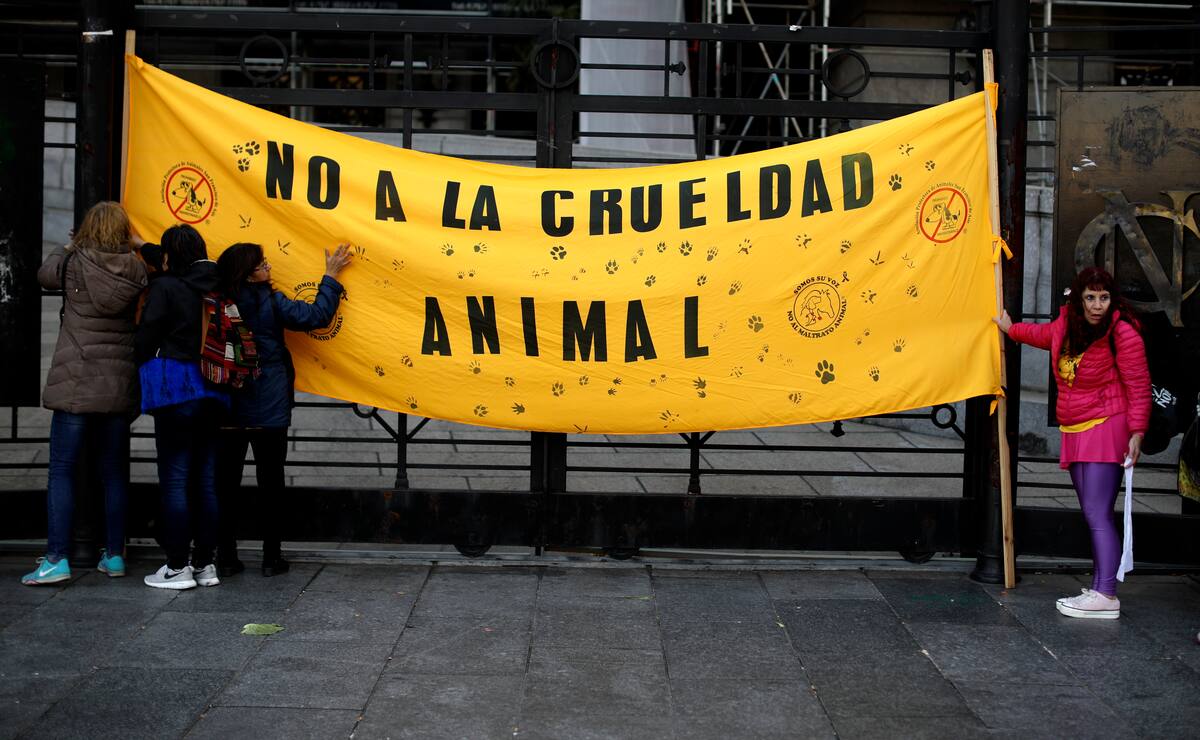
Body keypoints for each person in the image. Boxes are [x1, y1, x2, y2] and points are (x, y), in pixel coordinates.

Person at [995, 266, 1150, 619]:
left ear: (1114, 300)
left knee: (1097, 514)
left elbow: (1139, 386)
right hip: (1077, 428)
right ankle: (1101, 584)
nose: (1098, 305)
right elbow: (1041, 334)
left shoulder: (1122, 333)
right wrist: (1009, 328)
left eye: (1104, 298)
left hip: (1107, 426)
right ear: (1079, 300)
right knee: (1093, 513)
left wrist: (1137, 433)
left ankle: (1106, 594)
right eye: (1091, 298)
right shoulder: (1068, 325)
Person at [22, 202, 149, 585]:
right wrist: (140, 245)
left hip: (75, 380)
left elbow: (44, 275)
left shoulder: (74, 262)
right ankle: (113, 556)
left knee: (62, 469)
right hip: (116, 382)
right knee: (113, 473)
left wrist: (67, 246)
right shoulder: (138, 268)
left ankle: (57, 558)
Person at [214, 242, 352, 577]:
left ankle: (226, 557)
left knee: (225, 484)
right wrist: (331, 276)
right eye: (262, 264)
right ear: (249, 274)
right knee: (271, 482)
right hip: (269, 403)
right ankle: (271, 558)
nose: (269, 267)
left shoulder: (216, 302)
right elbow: (316, 317)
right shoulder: (271, 302)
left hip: (227, 403)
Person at [135, 224, 228, 590]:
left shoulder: (166, 286)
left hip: (176, 390)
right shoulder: (217, 284)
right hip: (214, 392)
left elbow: (147, 336)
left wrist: (144, 358)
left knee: (175, 479)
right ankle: (206, 565)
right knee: (205, 481)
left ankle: (176, 567)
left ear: (171, 256)